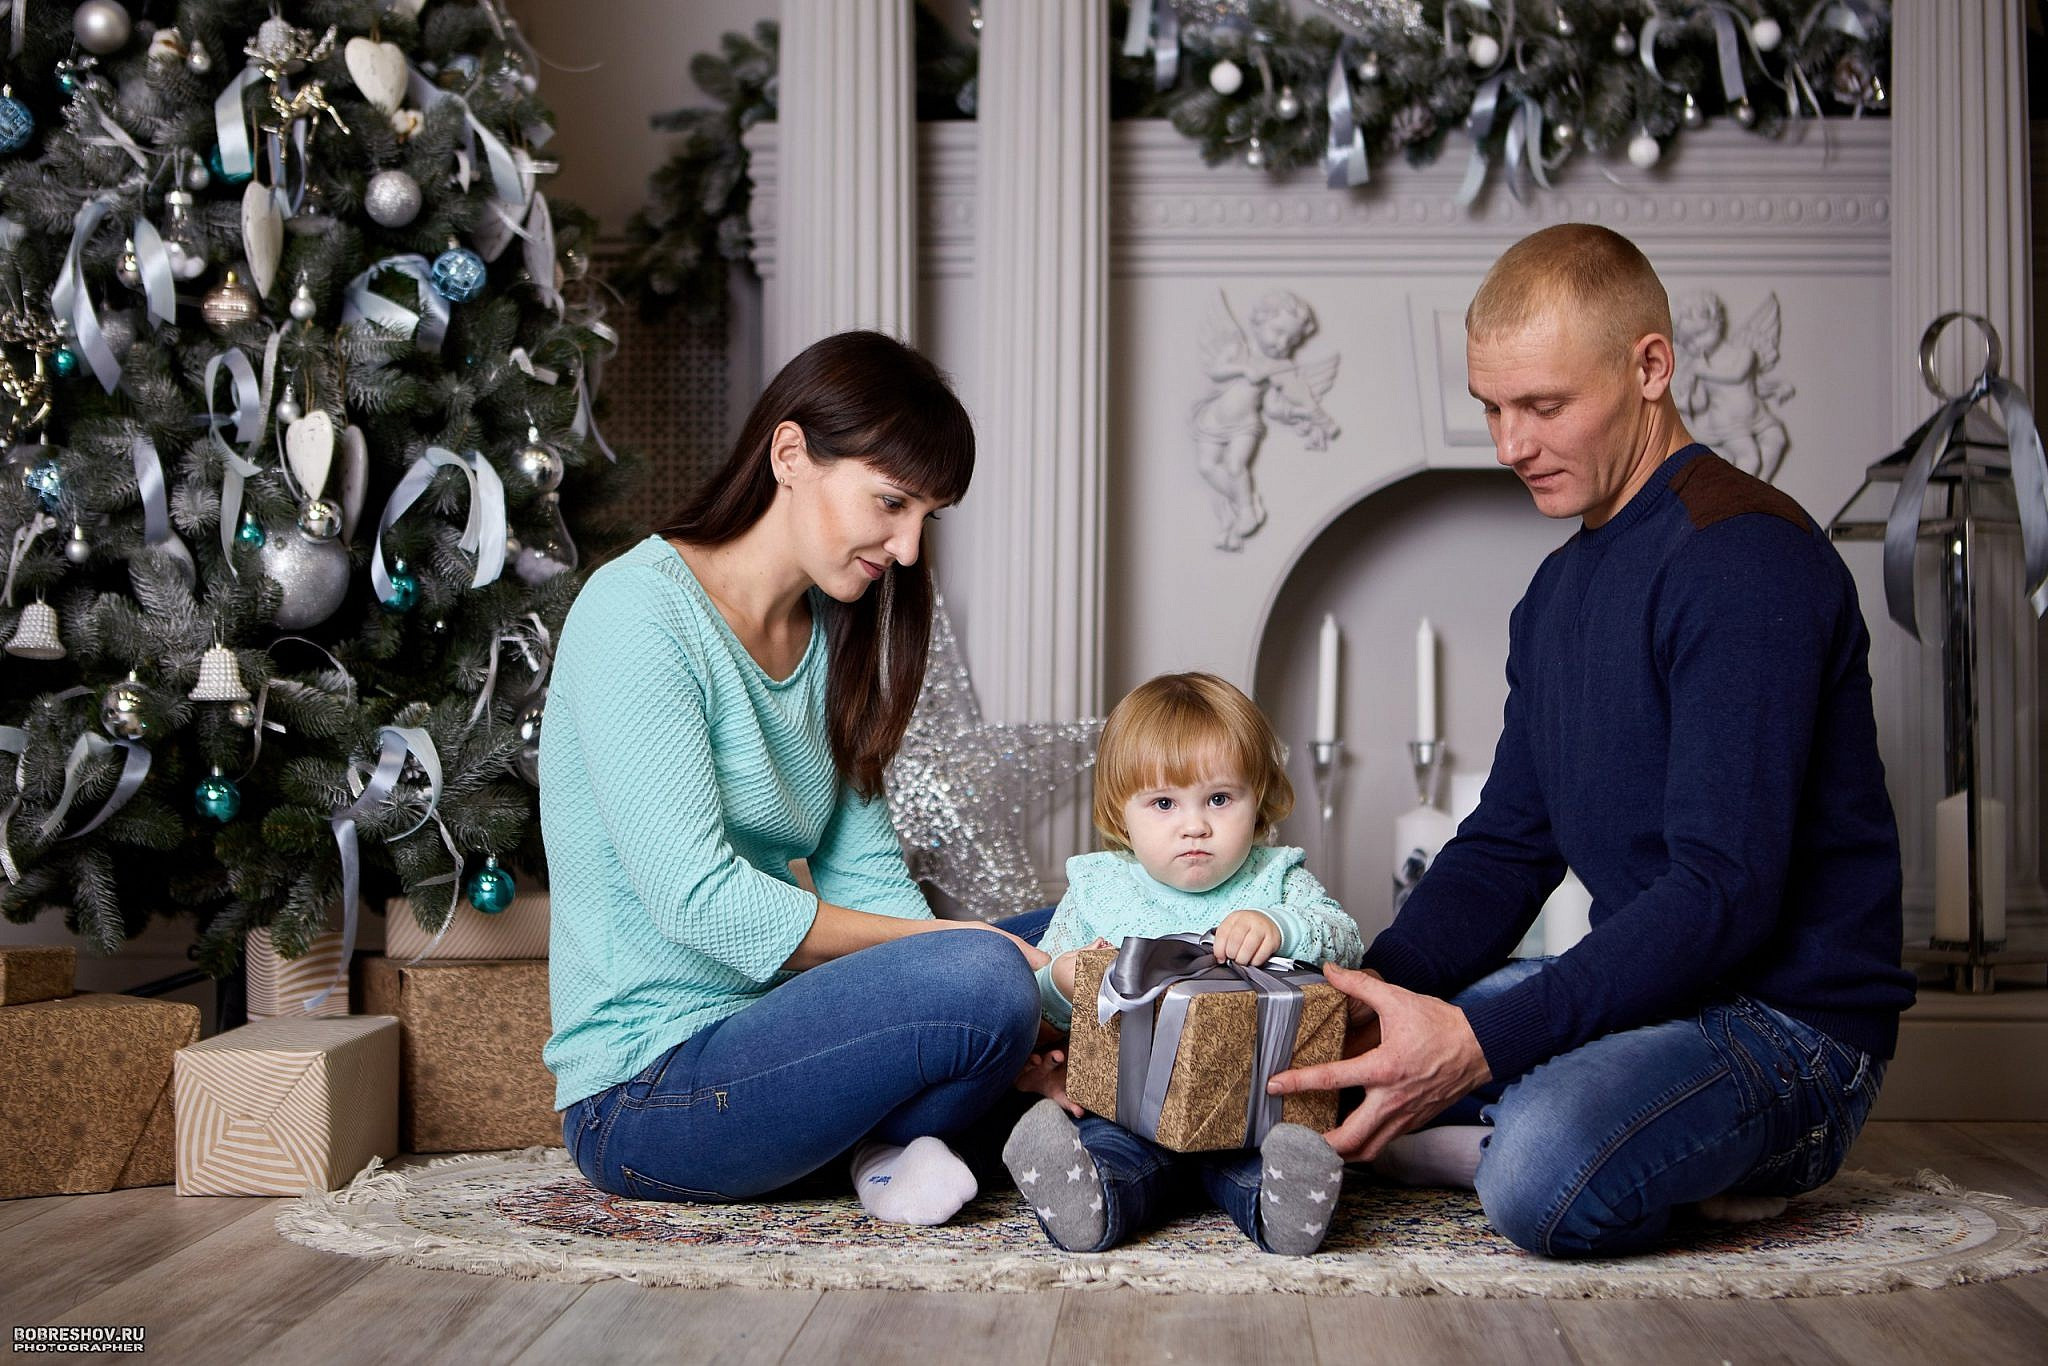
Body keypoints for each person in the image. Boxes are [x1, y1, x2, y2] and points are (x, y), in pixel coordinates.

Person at [1267, 224, 1915, 1258]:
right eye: (1490, 407)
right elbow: (1504, 846)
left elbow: (1723, 893)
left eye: (1542, 405)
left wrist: (1476, 1044)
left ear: (1649, 365)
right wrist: (1372, 997)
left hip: (1787, 1028)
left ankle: (1545, 1136)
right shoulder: (1556, 592)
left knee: (1536, 1169)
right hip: (1652, 992)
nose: (1508, 444)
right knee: (1329, 1069)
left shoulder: (1743, 560)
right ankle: (1512, 1124)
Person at [542, 331, 1049, 1228]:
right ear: (790, 455)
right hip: (650, 1092)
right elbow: (697, 901)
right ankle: (977, 1127)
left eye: (927, 518)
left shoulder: (836, 636)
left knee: (1098, 925)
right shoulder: (638, 612)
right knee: (986, 978)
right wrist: (968, 961)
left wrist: (998, 957)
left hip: (792, 1044)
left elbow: (871, 883)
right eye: (891, 503)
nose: (905, 548)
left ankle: (929, 1145)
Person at [1003, 672, 1365, 1256]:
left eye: (1219, 799)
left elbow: (1347, 941)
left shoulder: (1275, 878)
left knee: (1264, 1157)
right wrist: (1065, 978)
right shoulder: (1102, 889)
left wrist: (1280, 926)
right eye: (1165, 802)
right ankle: (1089, 1201)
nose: (1194, 824)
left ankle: (1284, 1206)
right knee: (1111, 1151)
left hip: (1250, 1104)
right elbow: (1041, 1002)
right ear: (1123, 815)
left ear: (1259, 798)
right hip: (1129, 1106)